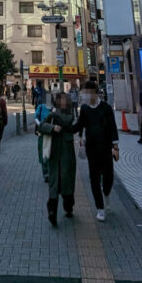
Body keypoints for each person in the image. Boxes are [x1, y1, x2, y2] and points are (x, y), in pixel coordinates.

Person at [74, 81, 118, 221]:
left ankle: (106, 194)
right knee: (94, 179)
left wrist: (115, 145)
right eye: (84, 93)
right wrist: (64, 128)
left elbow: (112, 127)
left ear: (96, 93)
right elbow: (79, 125)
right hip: (91, 149)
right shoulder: (85, 109)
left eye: (87, 93)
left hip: (106, 148)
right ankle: (100, 208)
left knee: (108, 177)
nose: (85, 96)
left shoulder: (106, 108)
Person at [39, 92, 77, 226]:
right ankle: (52, 212)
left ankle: (68, 207)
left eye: (63, 100)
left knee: (66, 183)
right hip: (55, 154)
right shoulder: (53, 115)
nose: (62, 103)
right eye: (59, 100)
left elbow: (67, 123)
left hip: (66, 154)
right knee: (55, 184)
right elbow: (41, 127)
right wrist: (52, 127)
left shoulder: (69, 115)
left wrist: (54, 118)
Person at [34, 90, 53, 181]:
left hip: (52, 134)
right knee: (42, 154)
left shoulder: (54, 108)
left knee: (50, 153)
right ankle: (45, 173)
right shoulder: (41, 107)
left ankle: (50, 172)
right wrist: (41, 126)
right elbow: (36, 118)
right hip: (42, 134)